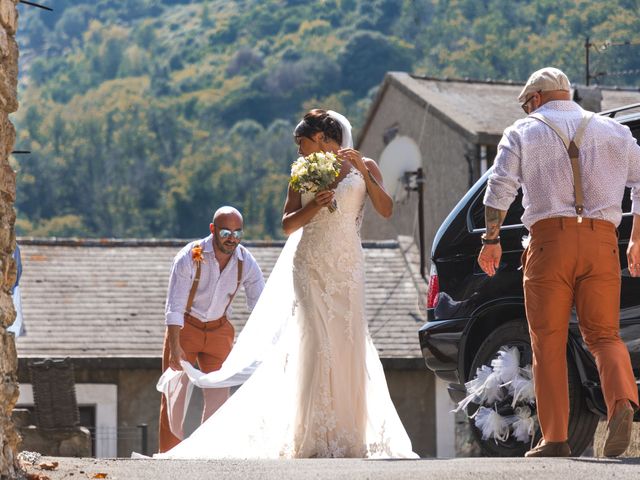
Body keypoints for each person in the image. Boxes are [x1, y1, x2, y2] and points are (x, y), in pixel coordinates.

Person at [155, 110, 416, 459]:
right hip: (309, 265)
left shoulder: (363, 165)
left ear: (322, 138)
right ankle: (311, 434)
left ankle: (347, 433)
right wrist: (316, 206)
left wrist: (366, 173)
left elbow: (385, 210)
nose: (299, 151)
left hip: (347, 267)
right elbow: (287, 224)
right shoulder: (301, 173)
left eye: (302, 143)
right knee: (317, 342)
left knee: (346, 342)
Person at [478, 67, 640, 457]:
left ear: (535, 99)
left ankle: (555, 438)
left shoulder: (523, 130)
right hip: (602, 242)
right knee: (604, 335)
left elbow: (498, 188)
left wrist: (491, 239)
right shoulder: (614, 131)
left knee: (547, 341)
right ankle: (621, 403)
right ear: (568, 94)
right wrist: (635, 237)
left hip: (549, 243)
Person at [158, 206, 265, 453]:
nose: (233, 238)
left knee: (219, 397)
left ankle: (208, 453)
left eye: (238, 233)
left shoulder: (245, 261)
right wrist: (175, 347)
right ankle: (168, 457)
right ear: (213, 229)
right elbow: (174, 306)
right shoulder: (189, 256)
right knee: (174, 393)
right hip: (186, 328)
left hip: (220, 331)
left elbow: (260, 304)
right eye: (227, 232)